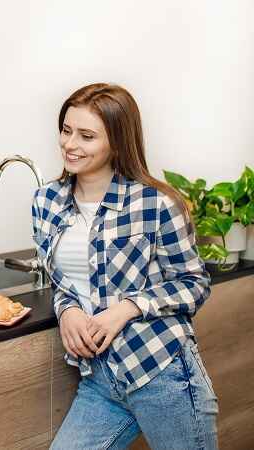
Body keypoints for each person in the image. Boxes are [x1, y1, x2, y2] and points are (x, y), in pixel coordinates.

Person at [33, 83, 217, 449]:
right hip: (99, 379)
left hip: (162, 373)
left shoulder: (156, 203)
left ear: (116, 142)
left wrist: (126, 309)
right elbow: (62, 282)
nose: (70, 144)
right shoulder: (46, 201)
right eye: (66, 130)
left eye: (86, 136)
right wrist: (67, 310)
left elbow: (194, 282)